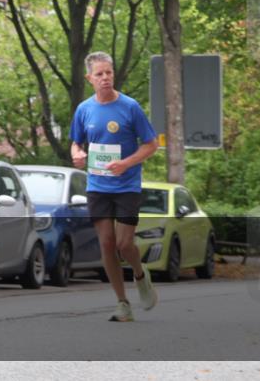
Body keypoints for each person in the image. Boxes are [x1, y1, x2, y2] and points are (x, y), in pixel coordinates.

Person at [70, 51, 160, 322]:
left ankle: (140, 274)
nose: (105, 78)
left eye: (108, 72)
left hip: (127, 185)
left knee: (124, 243)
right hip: (98, 185)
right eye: (99, 74)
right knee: (107, 243)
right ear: (90, 78)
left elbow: (151, 144)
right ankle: (122, 303)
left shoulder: (130, 107)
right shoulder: (84, 109)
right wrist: (77, 154)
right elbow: (77, 142)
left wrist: (127, 163)